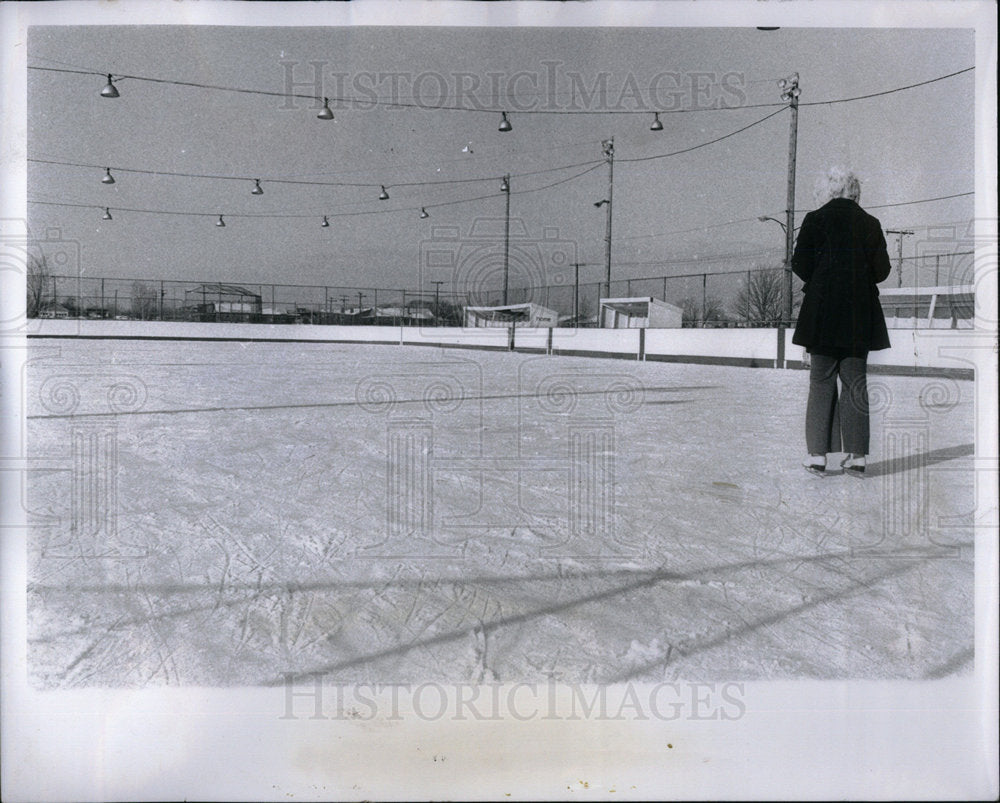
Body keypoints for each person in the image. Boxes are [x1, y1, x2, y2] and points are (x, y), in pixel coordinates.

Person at [791, 167, 892, 477]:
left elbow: (800, 263)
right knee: (854, 383)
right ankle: (857, 457)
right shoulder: (870, 223)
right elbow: (882, 270)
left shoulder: (815, 219)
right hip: (859, 315)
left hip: (821, 312)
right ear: (854, 191)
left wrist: (823, 281)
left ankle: (817, 456)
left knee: (820, 382)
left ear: (829, 190)